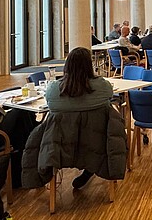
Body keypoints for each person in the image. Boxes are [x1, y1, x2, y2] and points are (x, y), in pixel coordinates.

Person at [44, 46, 115, 189]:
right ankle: (90, 169)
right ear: (90, 65)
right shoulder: (102, 86)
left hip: (59, 145)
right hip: (96, 142)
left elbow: (50, 105)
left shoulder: (53, 90)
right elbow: (110, 97)